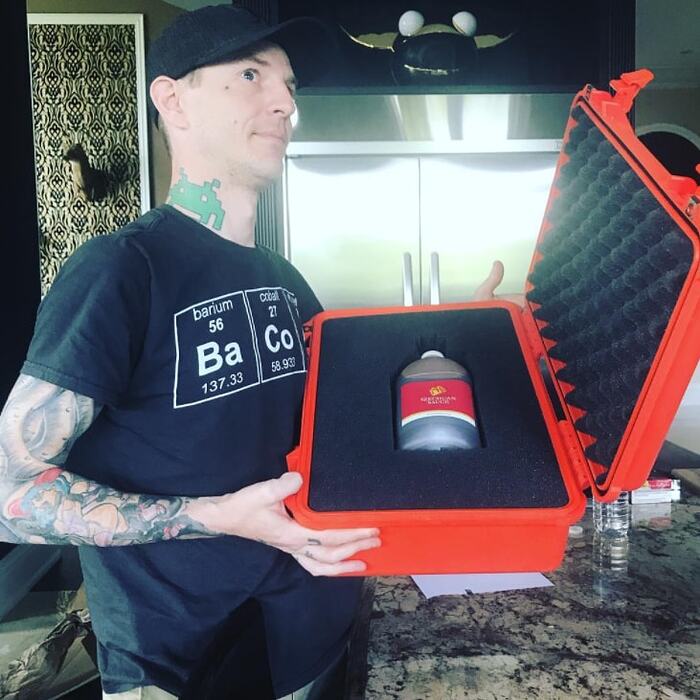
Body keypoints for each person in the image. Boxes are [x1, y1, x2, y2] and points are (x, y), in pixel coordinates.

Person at [0, 5, 509, 699]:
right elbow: (12, 494)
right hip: (173, 659)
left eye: (289, 84)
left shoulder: (282, 277)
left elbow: (348, 411)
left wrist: (461, 333)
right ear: (173, 100)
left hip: (310, 631)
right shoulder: (120, 270)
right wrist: (210, 516)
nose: (284, 102)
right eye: (250, 75)